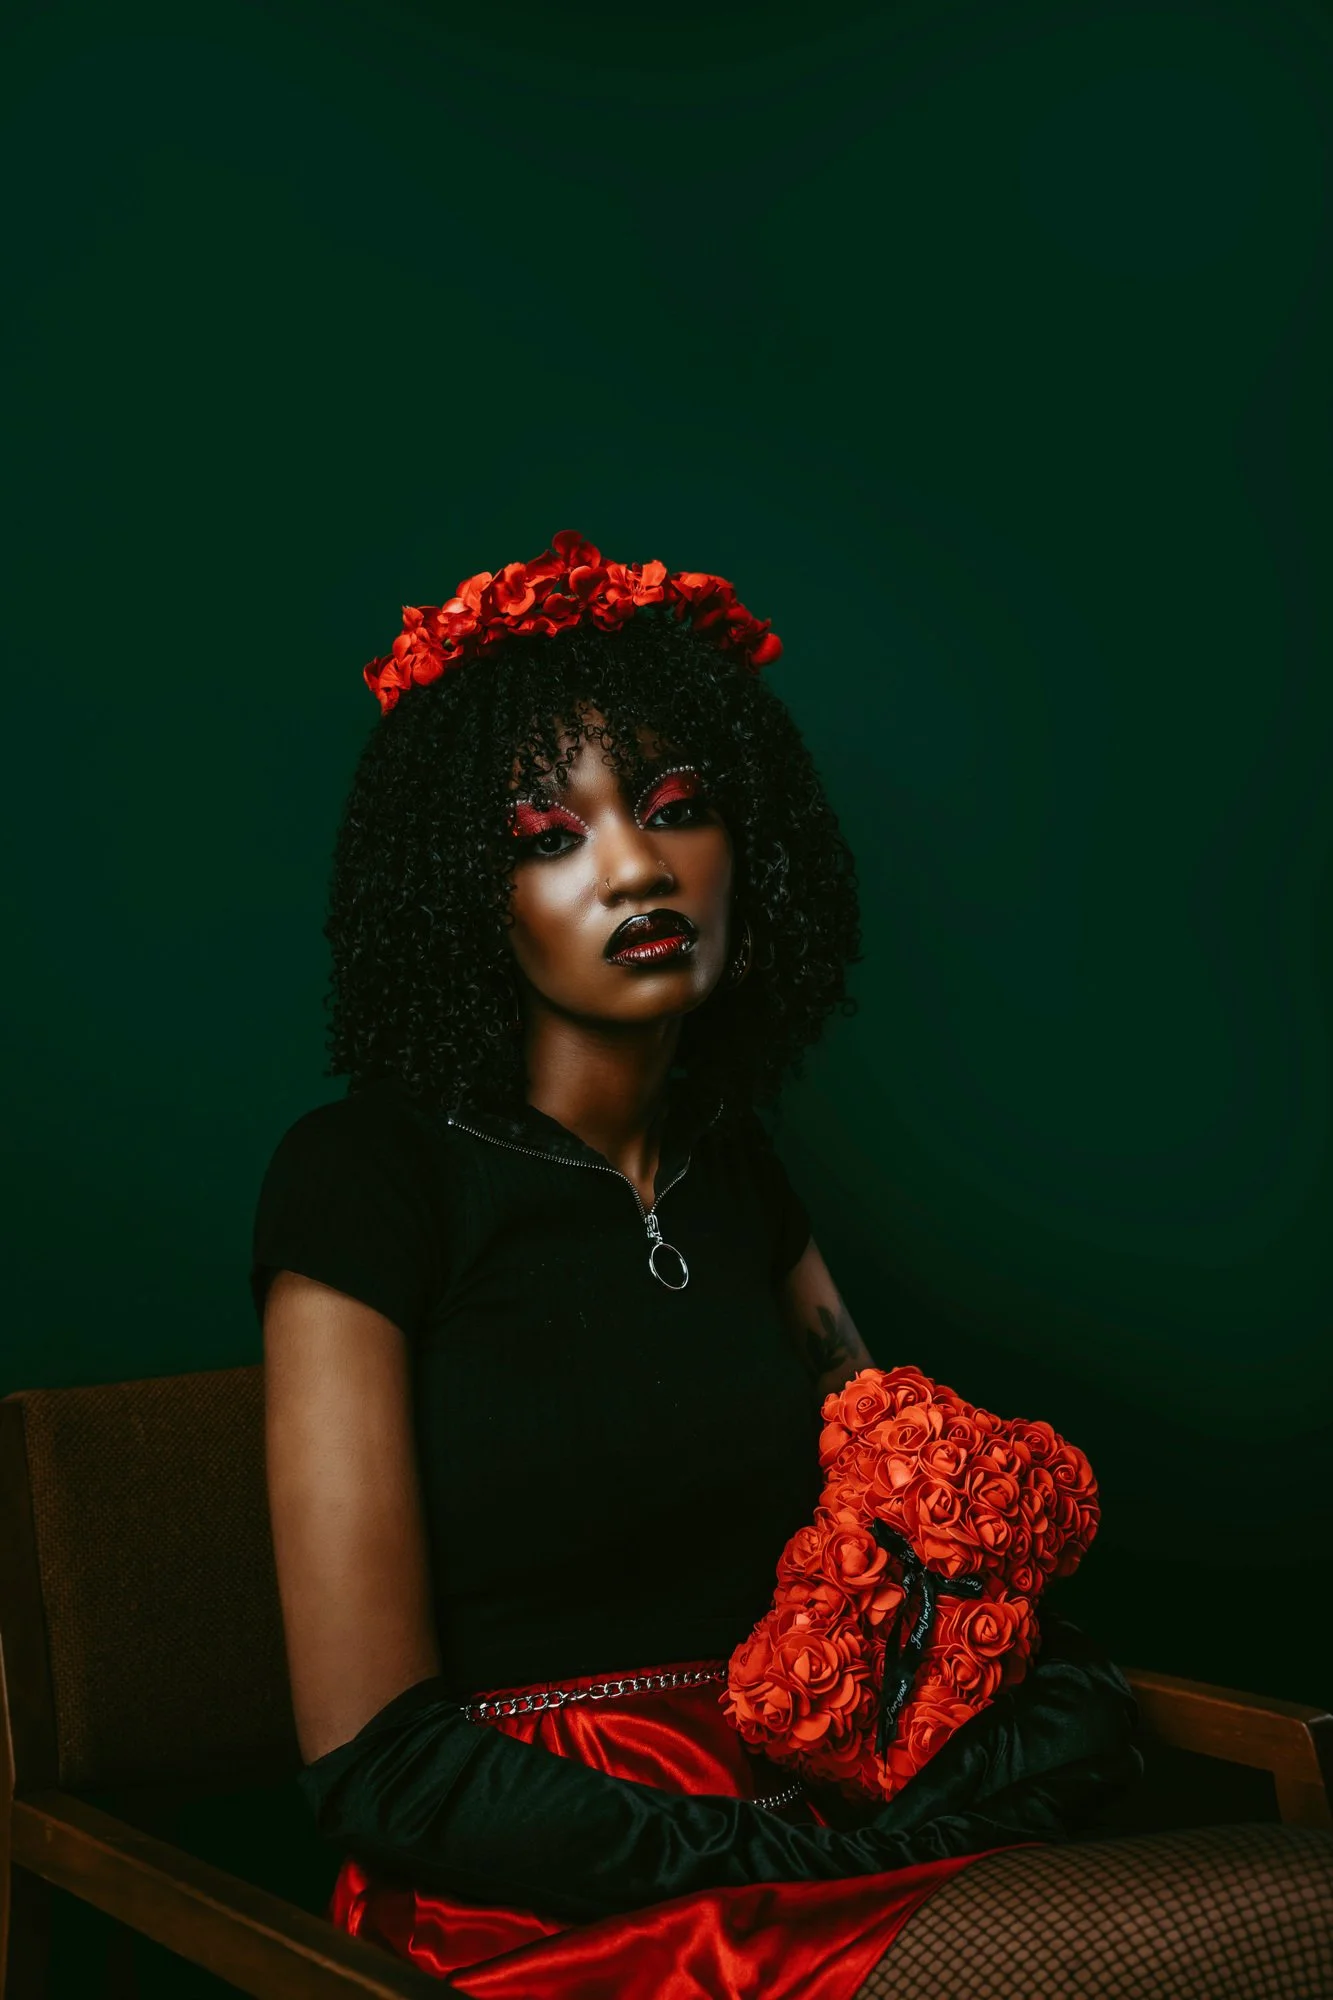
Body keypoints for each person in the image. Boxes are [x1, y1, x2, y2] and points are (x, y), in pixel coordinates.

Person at [251, 533, 1333, 1999]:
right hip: (545, 1894)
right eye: (549, 835)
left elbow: (905, 1554)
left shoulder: (735, 1171)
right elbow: (380, 1767)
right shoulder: (364, 1175)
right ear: (462, 893)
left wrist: (986, 1739)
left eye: (675, 809)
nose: (636, 865)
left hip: (808, 1819)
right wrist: (773, 1861)